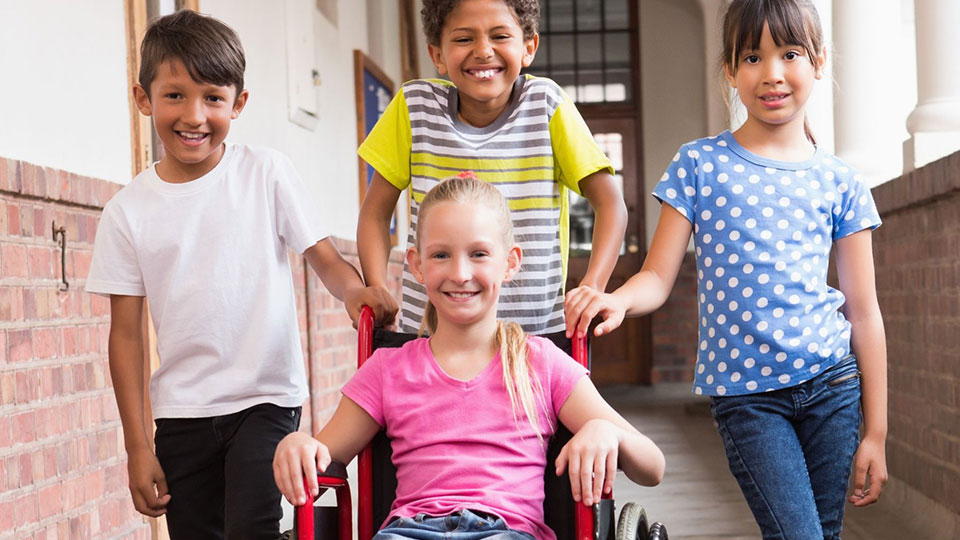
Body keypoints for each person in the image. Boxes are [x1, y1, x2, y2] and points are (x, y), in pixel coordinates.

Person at [564, 0, 888, 538]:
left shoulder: (842, 183)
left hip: (834, 387)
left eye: (790, 54)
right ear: (731, 71)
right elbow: (657, 277)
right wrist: (617, 298)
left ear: (819, 62)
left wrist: (876, 432)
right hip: (748, 399)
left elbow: (865, 312)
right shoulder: (699, 164)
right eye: (753, 57)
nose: (772, 73)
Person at [85, 10, 395, 539]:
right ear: (143, 98)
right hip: (181, 410)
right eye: (175, 95)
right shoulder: (126, 212)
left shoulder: (265, 172)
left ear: (239, 103)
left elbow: (323, 258)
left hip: (265, 397)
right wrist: (137, 446)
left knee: (253, 526)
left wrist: (355, 291)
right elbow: (128, 337)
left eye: (212, 97)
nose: (194, 115)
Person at [274, 176, 664, 540]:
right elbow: (321, 459)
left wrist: (606, 432)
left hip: (504, 531)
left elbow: (653, 467)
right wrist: (298, 446)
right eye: (441, 255)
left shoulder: (539, 363)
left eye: (478, 254)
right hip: (409, 532)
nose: (460, 274)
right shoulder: (387, 370)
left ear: (510, 262)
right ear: (417, 265)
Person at [356, 0, 627, 336]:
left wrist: (593, 285)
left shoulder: (546, 105)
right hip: (433, 338)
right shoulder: (414, 107)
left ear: (529, 48)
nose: (483, 51)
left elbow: (610, 203)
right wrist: (377, 285)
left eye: (499, 36)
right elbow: (376, 213)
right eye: (463, 39)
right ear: (437, 55)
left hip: (532, 337)